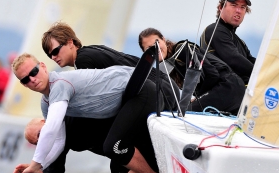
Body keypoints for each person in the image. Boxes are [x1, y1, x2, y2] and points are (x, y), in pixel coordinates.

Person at [11, 52, 168, 173]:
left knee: (113, 147)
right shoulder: (46, 102)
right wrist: (39, 165)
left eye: (33, 72)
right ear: (24, 84)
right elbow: (58, 141)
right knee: (117, 164)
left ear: (43, 66)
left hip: (140, 90)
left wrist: (36, 164)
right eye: (25, 79)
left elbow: (51, 129)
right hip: (127, 107)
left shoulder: (59, 84)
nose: (32, 79)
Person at [17, 116, 156, 173]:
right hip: (121, 151)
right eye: (37, 143)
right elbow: (54, 164)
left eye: (40, 134)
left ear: (44, 121)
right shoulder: (57, 137)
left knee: (118, 168)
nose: (41, 141)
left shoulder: (64, 123)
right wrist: (37, 167)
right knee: (118, 168)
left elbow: (55, 170)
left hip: (135, 137)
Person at [42, 22, 180, 110]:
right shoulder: (92, 50)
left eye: (55, 51)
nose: (53, 57)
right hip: (168, 88)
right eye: (50, 55)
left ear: (70, 43)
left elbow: (97, 99)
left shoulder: (82, 61)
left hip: (160, 94)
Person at [139, 28, 244, 115]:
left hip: (228, 85)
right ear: (145, 53)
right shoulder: (166, 68)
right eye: (149, 47)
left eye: (157, 42)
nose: (156, 48)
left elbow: (212, 74)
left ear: (164, 40)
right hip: (229, 90)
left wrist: (197, 98)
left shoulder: (181, 50)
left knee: (185, 113)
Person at [199, 0, 256, 84]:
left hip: (239, 93)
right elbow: (234, 60)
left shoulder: (239, 41)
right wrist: (263, 75)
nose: (238, 10)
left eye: (243, 7)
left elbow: (253, 62)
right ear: (221, 7)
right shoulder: (214, 30)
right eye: (234, 5)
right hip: (222, 95)